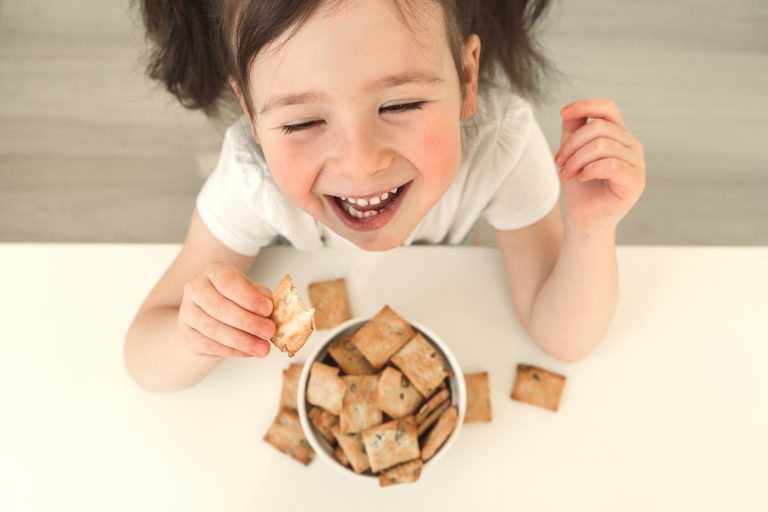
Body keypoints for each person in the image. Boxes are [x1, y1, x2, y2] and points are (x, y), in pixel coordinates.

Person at [124, 0, 646, 392]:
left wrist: (589, 230)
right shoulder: (250, 179)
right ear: (252, 113)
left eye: (400, 105)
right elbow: (143, 356)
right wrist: (194, 333)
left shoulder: (501, 147)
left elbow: (563, 337)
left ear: (466, 77)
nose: (360, 163)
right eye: (305, 121)